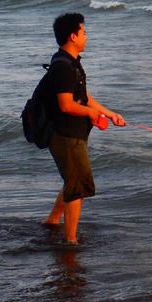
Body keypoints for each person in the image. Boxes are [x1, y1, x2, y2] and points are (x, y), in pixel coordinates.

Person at [42, 13, 125, 244]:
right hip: (66, 135)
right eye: (84, 32)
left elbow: (83, 97)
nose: (86, 37)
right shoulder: (63, 67)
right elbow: (66, 105)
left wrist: (109, 113)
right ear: (73, 36)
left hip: (73, 134)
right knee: (77, 187)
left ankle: (51, 222)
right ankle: (70, 241)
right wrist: (92, 114)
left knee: (72, 181)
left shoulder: (71, 62)